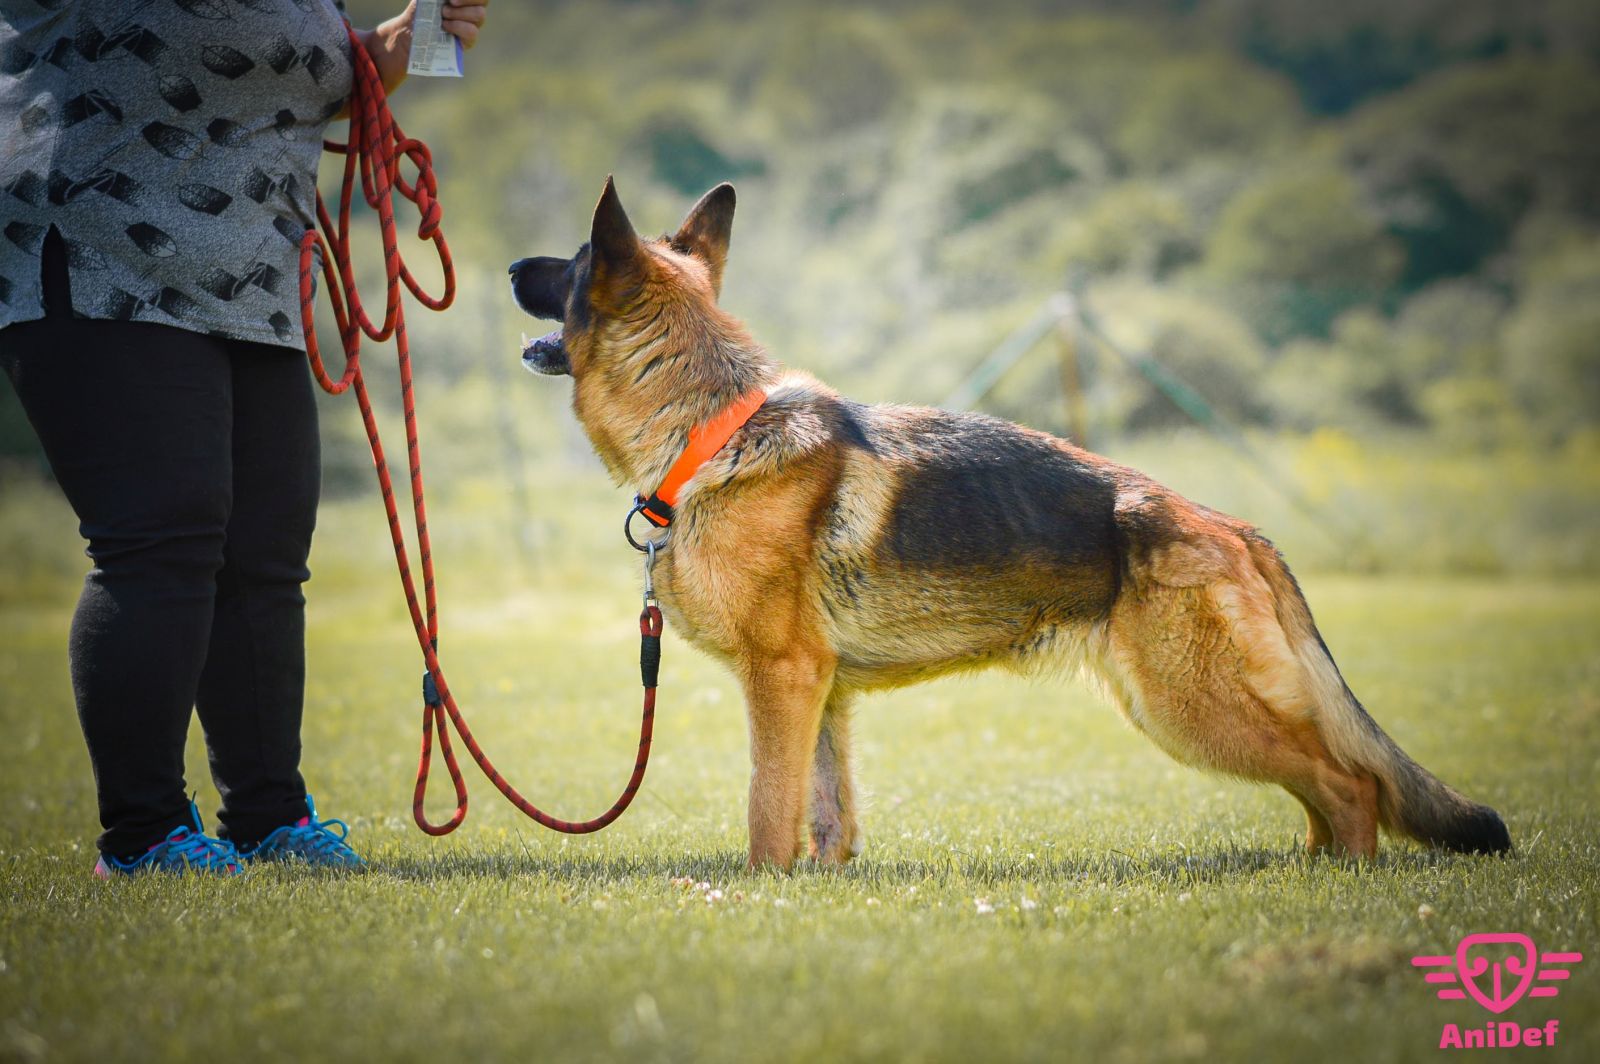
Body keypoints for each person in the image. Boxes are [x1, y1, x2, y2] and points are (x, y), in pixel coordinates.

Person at [0, 0, 489, 876]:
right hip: (101, 248)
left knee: (264, 550)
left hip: (254, 274)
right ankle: (142, 835)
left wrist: (387, 45)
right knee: (162, 536)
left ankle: (268, 818)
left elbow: (295, 69)